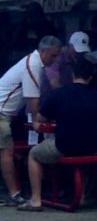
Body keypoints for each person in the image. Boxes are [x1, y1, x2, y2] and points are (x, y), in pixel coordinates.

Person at [17, 56, 97, 212]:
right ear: (90, 78)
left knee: (34, 155)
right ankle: (81, 196)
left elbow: (41, 118)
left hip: (64, 145)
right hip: (92, 146)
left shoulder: (59, 94)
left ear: (72, 75)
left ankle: (35, 199)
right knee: (84, 160)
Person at [0, 35, 62, 206]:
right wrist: (36, 120)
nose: (55, 59)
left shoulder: (33, 62)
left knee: (7, 151)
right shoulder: (33, 65)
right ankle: (15, 193)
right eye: (53, 55)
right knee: (6, 152)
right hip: (1, 113)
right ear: (43, 51)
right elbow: (32, 97)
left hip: (7, 113)